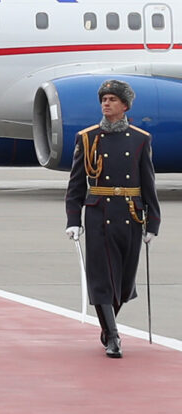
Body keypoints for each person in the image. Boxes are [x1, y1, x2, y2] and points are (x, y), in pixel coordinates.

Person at [65, 79, 160, 358]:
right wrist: (73, 219)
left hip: (130, 214)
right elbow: (76, 184)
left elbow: (148, 183)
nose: (106, 104)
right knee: (102, 278)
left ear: (125, 106)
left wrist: (153, 222)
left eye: (112, 100)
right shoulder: (88, 137)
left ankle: (107, 327)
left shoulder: (141, 139)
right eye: (103, 100)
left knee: (124, 282)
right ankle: (114, 336)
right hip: (99, 214)